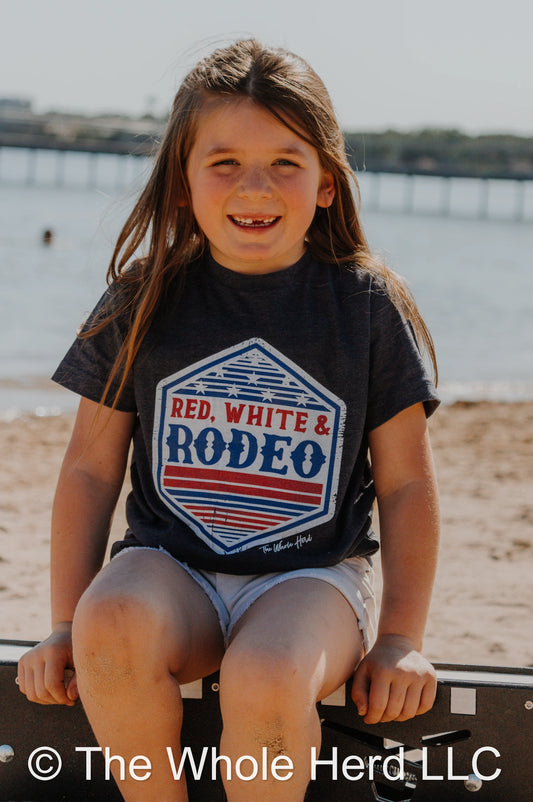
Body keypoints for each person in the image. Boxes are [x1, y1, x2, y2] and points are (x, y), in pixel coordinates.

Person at [17, 39, 440, 802]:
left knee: (267, 674)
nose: (255, 185)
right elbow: (88, 468)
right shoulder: (141, 301)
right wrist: (61, 624)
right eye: (223, 163)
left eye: (285, 161)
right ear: (181, 183)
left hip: (312, 578)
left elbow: (407, 483)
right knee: (105, 622)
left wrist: (401, 639)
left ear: (325, 184)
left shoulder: (365, 307)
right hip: (171, 569)